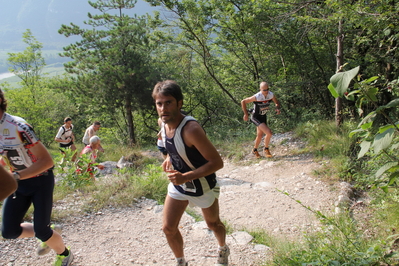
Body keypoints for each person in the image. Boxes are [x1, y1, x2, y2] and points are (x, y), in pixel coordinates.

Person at [153, 80, 229, 266]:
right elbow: (167, 143)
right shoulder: (162, 122)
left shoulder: (191, 130)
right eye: (159, 103)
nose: (163, 108)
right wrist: (169, 157)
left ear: (180, 103)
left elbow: (217, 163)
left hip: (202, 185)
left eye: (169, 102)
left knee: (213, 224)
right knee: (168, 228)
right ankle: (181, 262)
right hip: (180, 185)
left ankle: (223, 248)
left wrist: (185, 176)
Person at [0, 89, 73, 266]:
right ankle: (49, 231)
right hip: (16, 183)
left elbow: (47, 161)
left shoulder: (18, 127)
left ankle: (65, 254)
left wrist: (16, 175)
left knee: (42, 230)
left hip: (40, 180)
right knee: (8, 231)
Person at [241, 81, 281, 158]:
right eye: (264, 90)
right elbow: (243, 101)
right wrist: (246, 114)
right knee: (269, 132)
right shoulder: (257, 96)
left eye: (267, 89)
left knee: (259, 135)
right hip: (255, 117)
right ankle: (266, 149)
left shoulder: (271, 94)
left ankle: (255, 150)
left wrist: (277, 108)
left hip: (263, 116)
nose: (266, 92)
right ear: (260, 89)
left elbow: (277, 102)